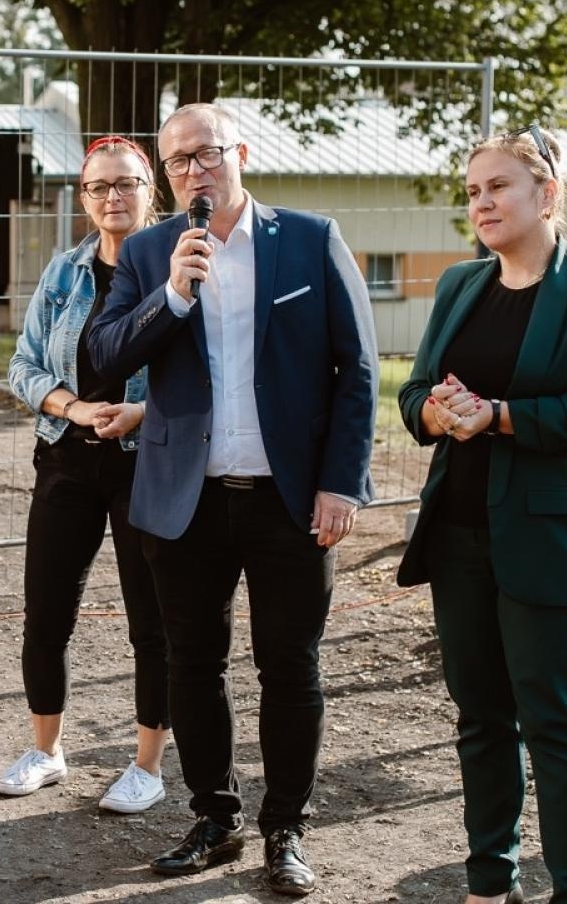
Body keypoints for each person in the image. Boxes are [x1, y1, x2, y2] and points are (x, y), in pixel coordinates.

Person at [87, 102, 379, 896]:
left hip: (291, 498)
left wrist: (340, 481)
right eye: (178, 162)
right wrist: (173, 297)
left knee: (290, 664)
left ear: (239, 152)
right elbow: (103, 353)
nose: (194, 172)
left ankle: (286, 827)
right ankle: (215, 817)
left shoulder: (310, 240)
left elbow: (358, 371)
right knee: (192, 663)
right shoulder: (149, 252)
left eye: (206, 154)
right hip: (187, 497)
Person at [396, 125, 567, 904]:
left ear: (546, 193)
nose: (483, 202)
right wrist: (435, 412)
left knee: (557, 728)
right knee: (481, 720)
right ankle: (488, 884)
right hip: (460, 535)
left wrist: (497, 415)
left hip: (546, 540)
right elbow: (414, 392)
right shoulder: (460, 287)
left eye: (498, 186)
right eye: (473, 191)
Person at [0, 135, 170, 812]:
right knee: (46, 613)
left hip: (147, 460)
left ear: (149, 190)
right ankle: (46, 749)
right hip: (67, 453)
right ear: (84, 196)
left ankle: (147, 766)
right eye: (100, 187)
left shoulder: (175, 265)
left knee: (149, 621)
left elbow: (205, 372)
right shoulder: (65, 272)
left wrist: (141, 411)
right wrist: (72, 404)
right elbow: (24, 365)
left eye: (126, 184)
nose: (113, 197)